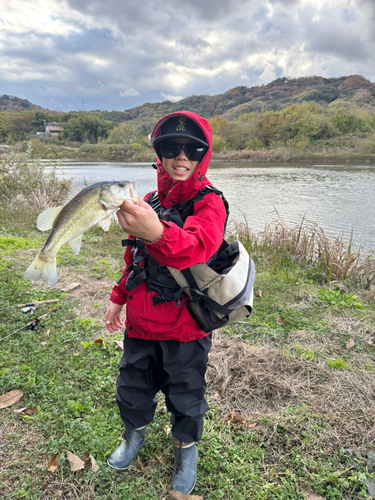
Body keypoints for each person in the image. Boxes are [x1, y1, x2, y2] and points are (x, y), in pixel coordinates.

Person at [104, 111, 227, 495]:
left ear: (202, 155)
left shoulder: (211, 205)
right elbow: (134, 259)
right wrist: (117, 299)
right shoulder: (148, 201)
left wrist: (155, 230)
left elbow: (195, 247)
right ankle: (133, 436)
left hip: (186, 329)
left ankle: (185, 450)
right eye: (171, 148)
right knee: (132, 386)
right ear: (159, 154)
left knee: (186, 395)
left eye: (192, 149)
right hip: (140, 325)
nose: (181, 157)